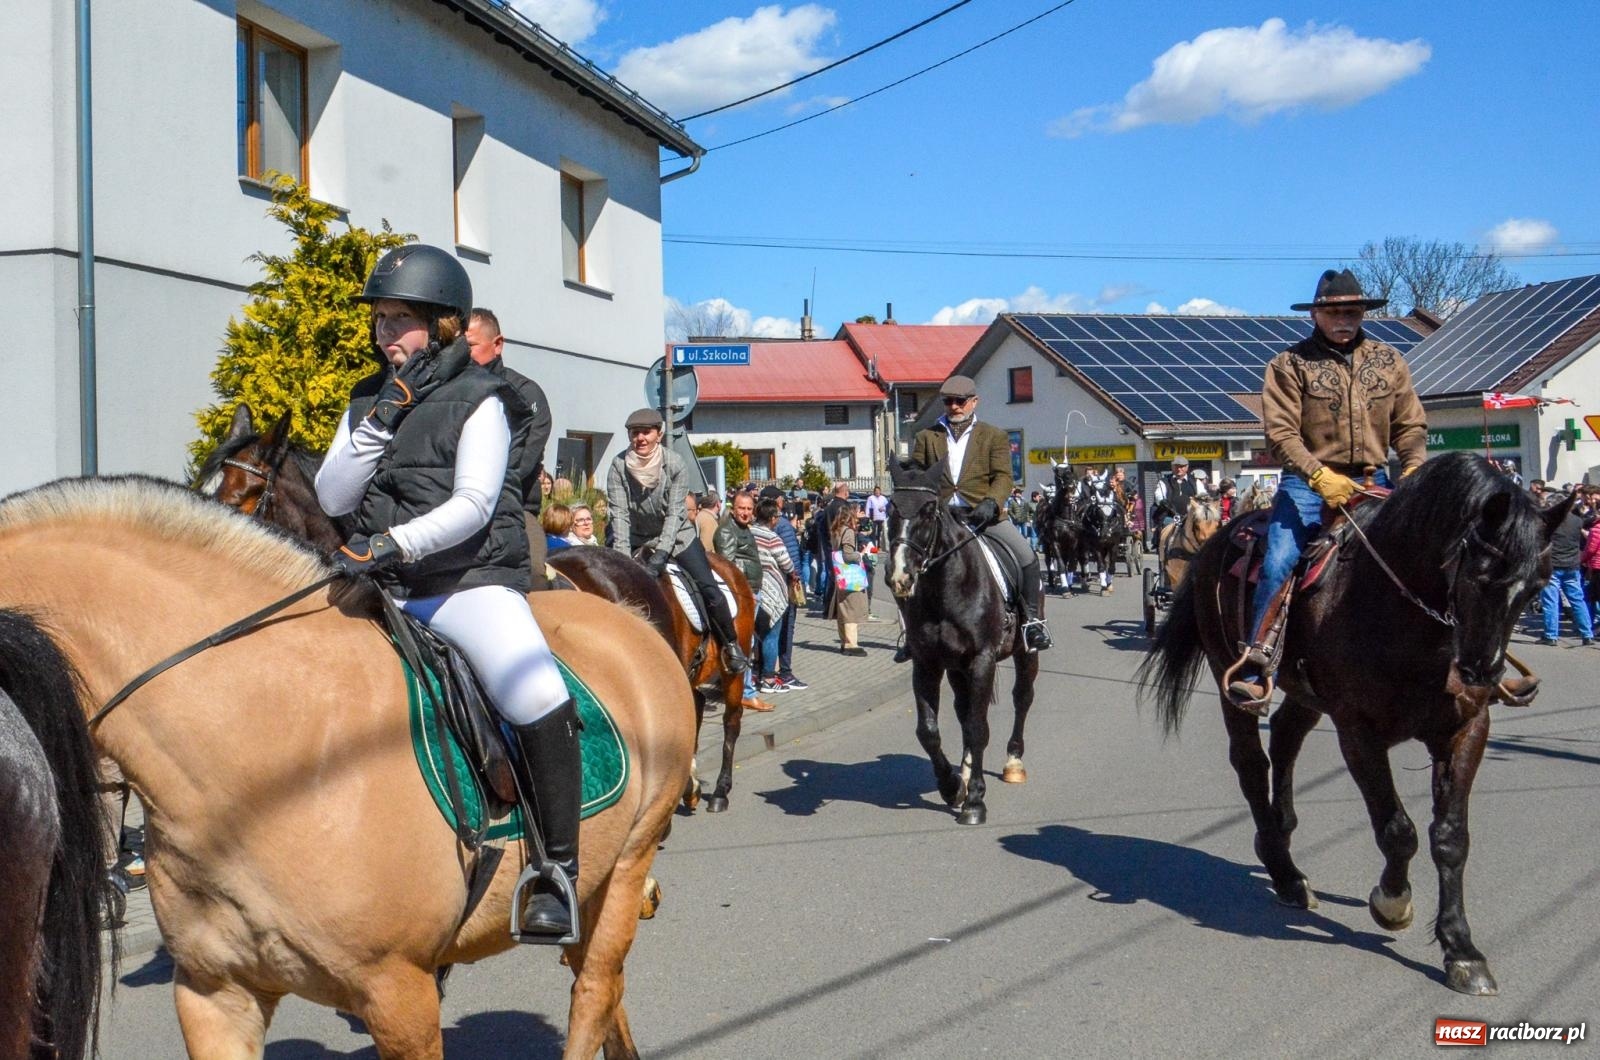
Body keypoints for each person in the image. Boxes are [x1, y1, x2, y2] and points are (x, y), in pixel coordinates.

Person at [314, 244, 578, 941]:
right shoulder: (370, 399)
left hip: (464, 582)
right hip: (386, 584)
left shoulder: (484, 401)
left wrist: (395, 543)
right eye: (379, 321)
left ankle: (556, 874)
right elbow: (331, 492)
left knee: (535, 694)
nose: (383, 335)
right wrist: (381, 420)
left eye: (399, 321)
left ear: (443, 327)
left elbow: (474, 503)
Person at [1224, 269, 1427, 714]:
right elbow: (1280, 434)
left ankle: (1465, 659)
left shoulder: (1391, 362)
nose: (1344, 320)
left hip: (1376, 481)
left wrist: (1413, 465)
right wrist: (1319, 476)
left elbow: (1410, 424)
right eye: (1334, 312)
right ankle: (1258, 663)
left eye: (1352, 312)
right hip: (1307, 483)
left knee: (1436, 556)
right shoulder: (1289, 365)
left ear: (1363, 314)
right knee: (1279, 560)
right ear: (1315, 314)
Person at [910, 374, 1052, 651]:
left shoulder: (993, 436)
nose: (954, 407)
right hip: (942, 519)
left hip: (983, 516)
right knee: (905, 564)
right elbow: (918, 474)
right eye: (948, 401)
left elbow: (1003, 477)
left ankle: (1032, 622)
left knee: (1026, 556)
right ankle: (910, 632)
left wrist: (991, 502)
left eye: (960, 401)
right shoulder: (927, 437)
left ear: (974, 402)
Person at [606, 408, 750, 674]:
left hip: (678, 537)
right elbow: (620, 516)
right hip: (636, 537)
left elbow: (675, 513)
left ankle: (731, 645)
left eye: (646, 432)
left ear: (658, 434)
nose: (640, 438)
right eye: (635, 433)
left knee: (709, 588)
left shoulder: (674, 464)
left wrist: (661, 554)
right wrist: (623, 561)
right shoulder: (617, 466)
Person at [466, 308, 553, 588]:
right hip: (455, 511)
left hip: (515, 509)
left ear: (498, 344)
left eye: (470, 346)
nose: (461, 354)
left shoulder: (526, 394)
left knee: (535, 574)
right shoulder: (447, 394)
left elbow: (522, 465)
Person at [716, 491, 772, 710]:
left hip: (751, 592)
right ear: (733, 508)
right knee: (744, 643)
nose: (746, 513)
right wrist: (744, 592)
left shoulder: (743, 529)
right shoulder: (727, 532)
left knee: (747, 643)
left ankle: (743, 690)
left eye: (749, 509)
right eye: (741, 508)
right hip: (743, 594)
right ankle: (745, 693)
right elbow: (728, 568)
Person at [751, 499, 801, 694]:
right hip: (772, 591)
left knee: (757, 636)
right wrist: (794, 575)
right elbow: (787, 563)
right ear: (772, 518)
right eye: (777, 517)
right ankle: (769, 678)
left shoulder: (749, 532)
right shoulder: (772, 537)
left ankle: (755, 673)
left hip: (753, 589)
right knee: (772, 635)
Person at [1539, 498, 1594, 647]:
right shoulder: (1577, 521)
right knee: (1577, 600)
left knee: (1551, 601)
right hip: (1572, 565)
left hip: (1553, 565)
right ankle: (1587, 634)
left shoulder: (1548, 521)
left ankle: (1551, 635)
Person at [828, 502, 869, 655]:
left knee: (843, 609)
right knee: (851, 609)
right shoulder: (848, 532)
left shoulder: (835, 530)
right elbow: (848, 555)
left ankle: (845, 641)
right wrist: (860, 554)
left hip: (839, 574)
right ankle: (851, 644)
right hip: (849, 575)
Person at [1152, 456, 1207, 533]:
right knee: (1167, 531)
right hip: (1171, 517)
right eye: (1176, 466)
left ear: (1187, 467)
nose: (1179, 469)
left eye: (1182, 467)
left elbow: (1203, 495)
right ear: (1172, 467)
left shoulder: (1195, 482)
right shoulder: (1164, 481)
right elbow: (1158, 495)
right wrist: (1162, 501)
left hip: (1191, 517)